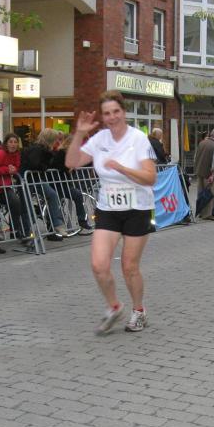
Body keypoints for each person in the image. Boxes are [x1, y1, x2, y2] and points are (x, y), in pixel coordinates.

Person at [65, 90, 157, 334]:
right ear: (103, 117)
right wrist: (80, 133)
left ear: (124, 112)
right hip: (108, 208)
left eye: (116, 111)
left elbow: (150, 178)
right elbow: (71, 163)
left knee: (129, 266)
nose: (112, 117)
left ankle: (139, 311)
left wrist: (122, 168)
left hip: (138, 208)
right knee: (98, 265)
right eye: (107, 113)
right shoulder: (100, 139)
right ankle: (114, 307)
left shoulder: (139, 139)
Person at [18, 132, 74, 241]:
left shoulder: (45, 150)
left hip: (36, 179)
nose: (57, 142)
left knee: (52, 195)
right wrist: (44, 166)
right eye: (55, 139)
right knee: (27, 206)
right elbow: (35, 164)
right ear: (50, 139)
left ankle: (57, 224)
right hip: (26, 180)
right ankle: (25, 233)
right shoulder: (37, 149)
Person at [0, 133, 33, 245]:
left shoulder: (17, 154)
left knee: (16, 202)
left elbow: (16, 167)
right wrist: (7, 170)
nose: (13, 144)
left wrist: (13, 170)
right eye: (11, 142)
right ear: (6, 143)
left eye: (15, 142)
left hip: (5, 185)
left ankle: (15, 230)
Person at [193, 129, 214, 220]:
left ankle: (200, 212)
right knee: (210, 194)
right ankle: (207, 214)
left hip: (199, 171)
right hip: (209, 174)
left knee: (201, 193)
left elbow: (195, 157)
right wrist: (213, 175)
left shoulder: (201, 143)